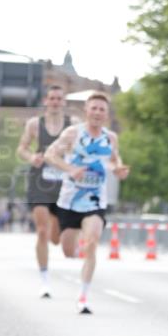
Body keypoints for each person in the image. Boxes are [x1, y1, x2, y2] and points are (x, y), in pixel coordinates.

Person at [44, 93, 130, 314]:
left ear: (106, 114)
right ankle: (59, 226)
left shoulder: (110, 138)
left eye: (102, 109)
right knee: (68, 251)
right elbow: (50, 155)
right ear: (86, 111)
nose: (98, 113)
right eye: (94, 108)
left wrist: (118, 169)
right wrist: (71, 169)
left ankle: (83, 296)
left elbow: (112, 160)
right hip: (70, 201)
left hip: (95, 200)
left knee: (92, 242)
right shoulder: (73, 133)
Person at [16, 84, 76, 297]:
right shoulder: (34, 124)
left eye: (59, 99)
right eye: (52, 98)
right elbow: (21, 148)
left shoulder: (73, 126)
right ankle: (44, 279)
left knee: (56, 238)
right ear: (46, 101)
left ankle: (55, 224)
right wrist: (32, 157)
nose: (55, 102)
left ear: (64, 102)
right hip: (39, 182)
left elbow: (80, 149)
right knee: (41, 231)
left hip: (63, 185)